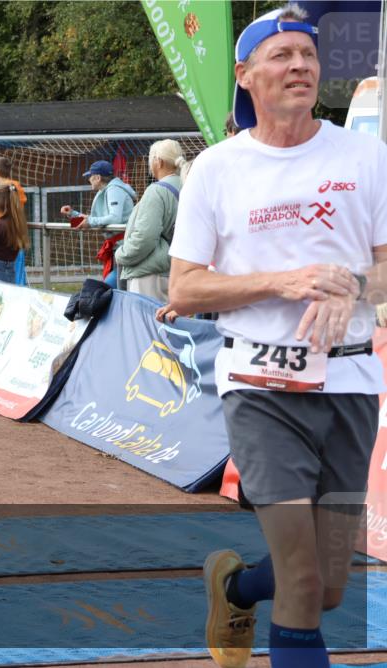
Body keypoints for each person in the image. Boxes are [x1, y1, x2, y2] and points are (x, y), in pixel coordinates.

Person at [165, 6, 387, 667]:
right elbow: (184, 289)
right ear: (245, 74)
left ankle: (233, 585)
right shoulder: (217, 169)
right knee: (301, 578)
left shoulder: (366, 156)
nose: (300, 65)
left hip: (349, 384)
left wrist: (351, 283)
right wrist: (282, 281)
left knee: (329, 585)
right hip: (260, 387)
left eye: (309, 55)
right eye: (283, 54)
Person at [114, 140, 186, 303]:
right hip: (176, 269)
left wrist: (121, 254)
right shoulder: (188, 185)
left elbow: (145, 237)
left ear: (158, 161)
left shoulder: (156, 191)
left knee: (146, 325)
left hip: (150, 274)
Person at [60, 159, 136, 288]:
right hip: (118, 248)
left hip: (125, 248)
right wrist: (73, 214)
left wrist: (90, 221)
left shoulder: (114, 190)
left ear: (98, 177)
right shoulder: (108, 190)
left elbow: (114, 218)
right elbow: (96, 219)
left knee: (107, 290)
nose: (89, 179)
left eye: (90, 176)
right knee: (112, 290)